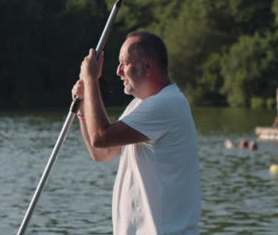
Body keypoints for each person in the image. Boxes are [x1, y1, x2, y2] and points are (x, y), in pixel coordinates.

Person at [71, 31, 201, 234]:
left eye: (125, 63)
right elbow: (101, 153)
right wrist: (83, 108)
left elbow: (100, 137)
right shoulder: (139, 105)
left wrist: (91, 80)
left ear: (148, 66)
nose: (118, 71)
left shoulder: (167, 103)